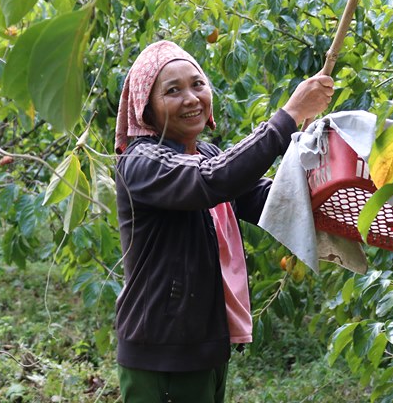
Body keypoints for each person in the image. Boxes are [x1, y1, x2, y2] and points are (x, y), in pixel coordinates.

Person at [113, 40, 334, 403]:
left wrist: (327, 175)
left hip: (205, 347)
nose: (191, 98)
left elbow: (269, 200)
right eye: (173, 90)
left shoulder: (206, 154)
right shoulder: (140, 163)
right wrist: (288, 115)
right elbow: (211, 180)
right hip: (164, 353)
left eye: (197, 84)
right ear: (146, 110)